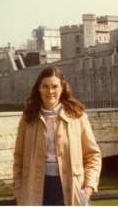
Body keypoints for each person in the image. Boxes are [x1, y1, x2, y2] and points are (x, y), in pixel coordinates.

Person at [13, 66, 102, 205]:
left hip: (71, 188)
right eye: (45, 86)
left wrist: (89, 187)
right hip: (35, 189)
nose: (50, 91)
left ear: (62, 88)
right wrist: (19, 191)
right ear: (39, 88)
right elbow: (19, 158)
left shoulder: (77, 117)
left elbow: (93, 155)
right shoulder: (28, 118)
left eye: (55, 86)